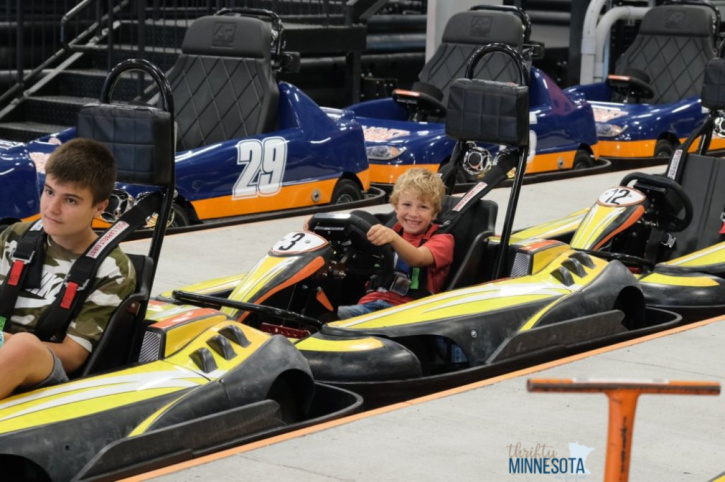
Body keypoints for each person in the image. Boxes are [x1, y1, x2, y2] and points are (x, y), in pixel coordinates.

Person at [0, 138, 136, 398]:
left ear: (100, 206)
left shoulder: (112, 269)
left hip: (47, 372)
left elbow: (73, 357)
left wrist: (5, 342)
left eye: (70, 201)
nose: (52, 208)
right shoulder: (16, 236)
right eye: (49, 192)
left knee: (24, 346)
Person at [337, 168, 454, 319]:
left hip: (408, 312)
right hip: (370, 303)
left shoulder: (442, 240)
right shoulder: (393, 229)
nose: (413, 213)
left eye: (423, 207)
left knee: (334, 319)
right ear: (396, 206)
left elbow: (417, 258)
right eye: (407, 205)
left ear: (434, 213)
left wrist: (393, 238)